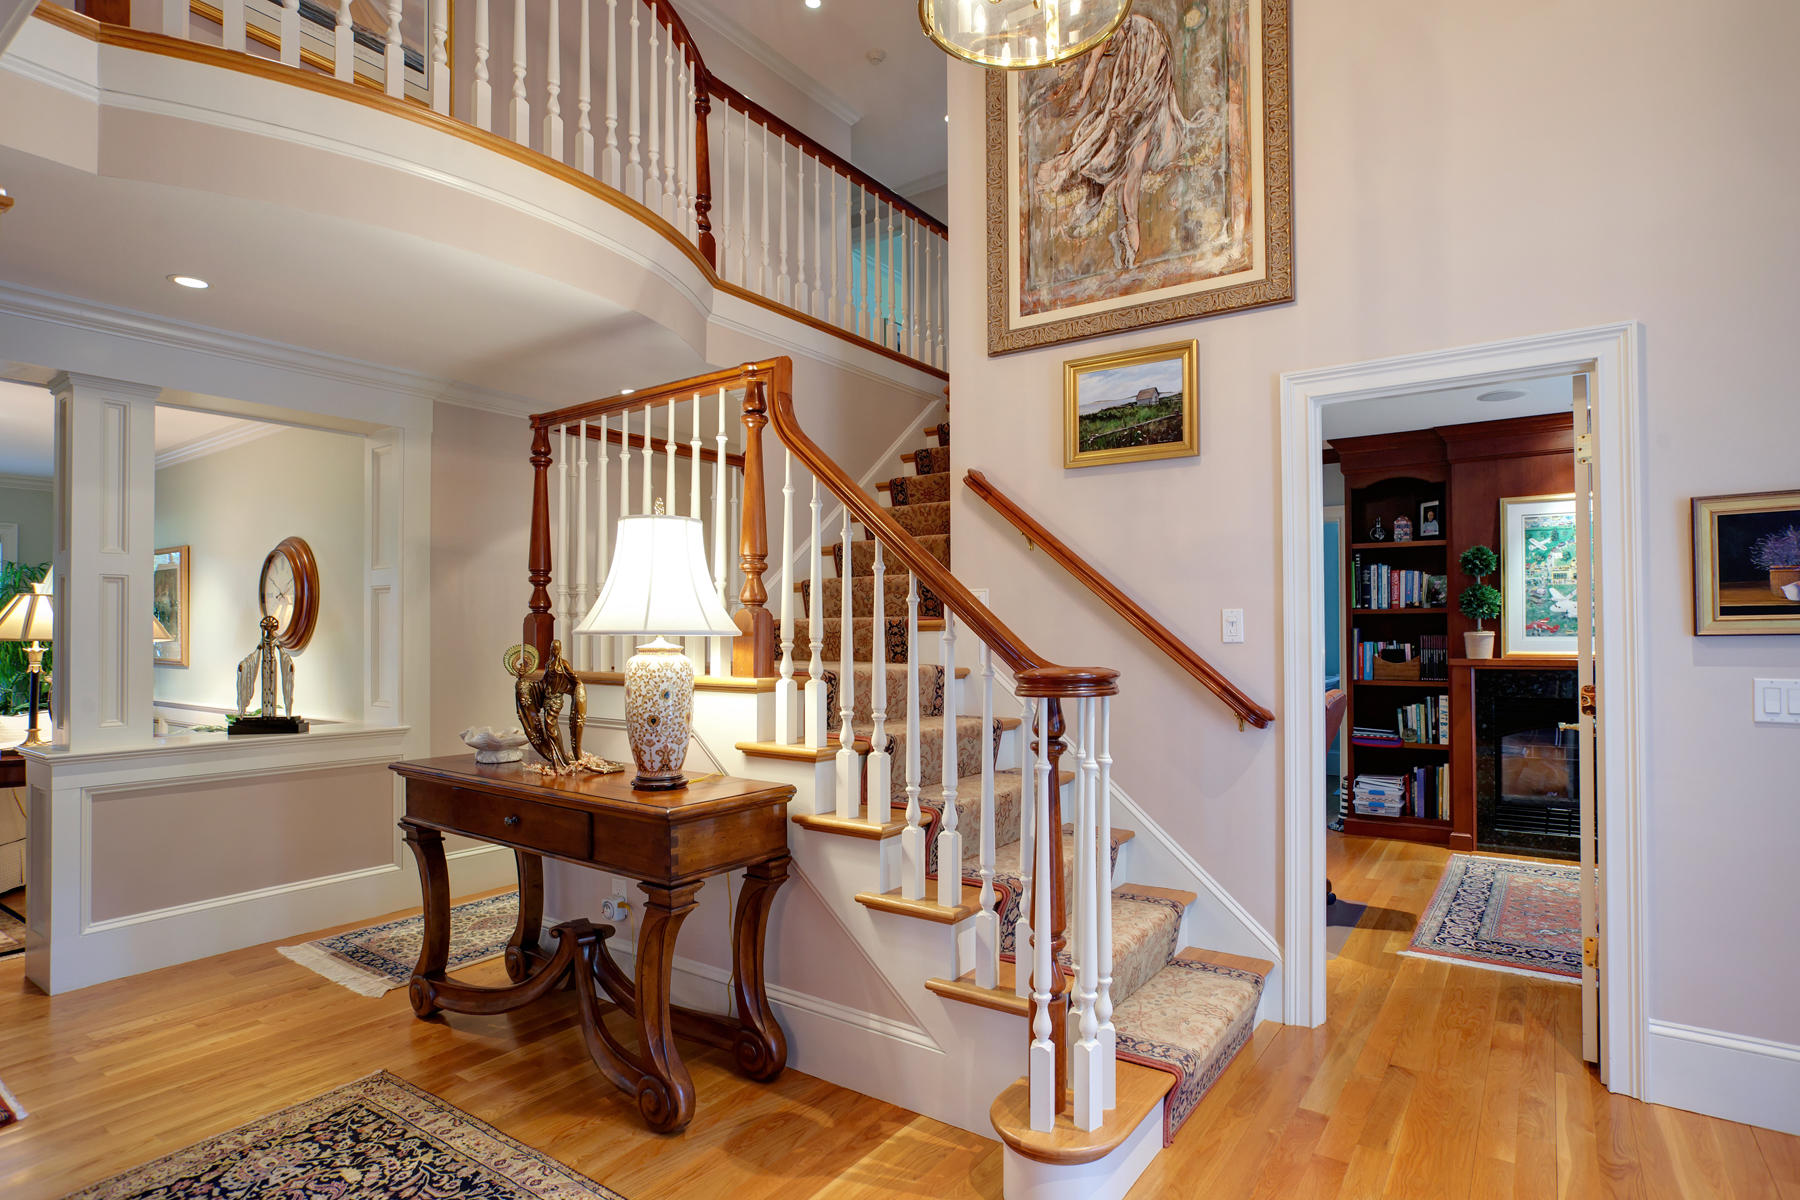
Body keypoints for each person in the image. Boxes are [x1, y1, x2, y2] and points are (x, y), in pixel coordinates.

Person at [1034, 13, 1192, 270]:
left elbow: (1093, 67)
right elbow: (1092, 67)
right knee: (1125, 136)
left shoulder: (1103, 29)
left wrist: (1081, 98)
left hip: (1145, 52)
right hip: (1141, 64)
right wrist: (1081, 97)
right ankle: (1132, 231)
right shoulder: (1102, 41)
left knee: (1122, 124)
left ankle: (1131, 229)